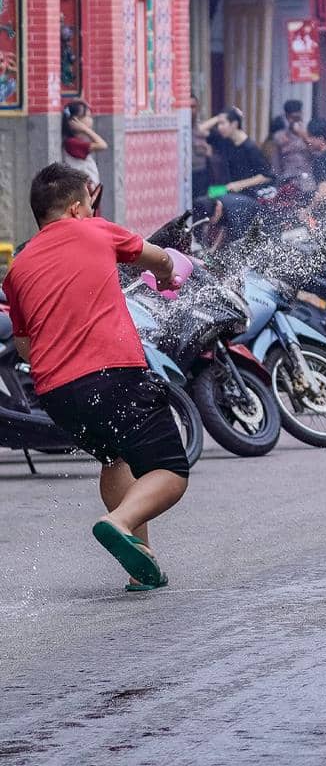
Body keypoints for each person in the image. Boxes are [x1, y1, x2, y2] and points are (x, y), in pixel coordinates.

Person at [4, 164, 190, 590]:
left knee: (114, 458)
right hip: (113, 375)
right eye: (89, 203)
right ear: (76, 208)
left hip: (55, 393)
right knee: (170, 471)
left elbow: (24, 347)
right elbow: (159, 257)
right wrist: (167, 276)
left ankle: (139, 568)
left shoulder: (19, 266)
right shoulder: (95, 230)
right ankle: (120, 521)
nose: (92, 209)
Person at [208, 107, 274, 194]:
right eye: (218, 124)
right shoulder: (225, 140)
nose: (219, 127)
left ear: (234, 124)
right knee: (203, 199)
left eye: (222, 123)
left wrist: (239, 185)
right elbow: (199, 130)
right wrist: (218, 117)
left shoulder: (250, 147)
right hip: (225, 190)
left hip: (247, 195)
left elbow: (266, 176)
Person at [62, 100, 108, 187]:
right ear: (75, 121)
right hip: (83, 191)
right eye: (88, 116)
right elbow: (102, 145)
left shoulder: (77, 141)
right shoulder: (72, 143)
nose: (91, 120)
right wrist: (86, 129)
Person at [190, 94, 213, 200]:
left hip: (201, 176)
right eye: (187, 107)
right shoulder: (180, 129)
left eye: (193, 107)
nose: (190, 110)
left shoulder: (203, 131)